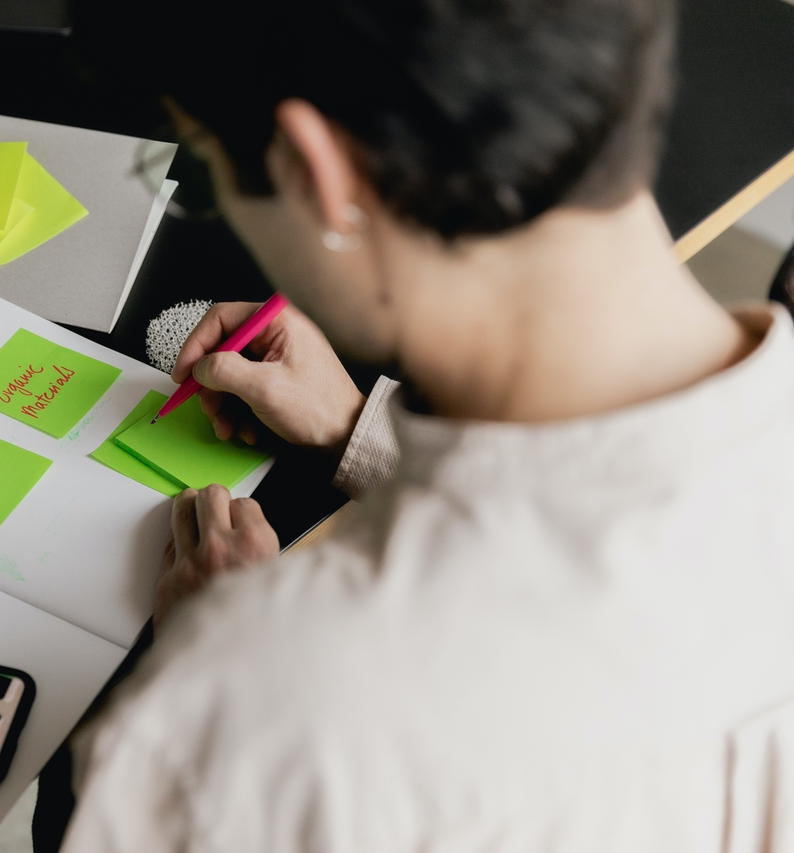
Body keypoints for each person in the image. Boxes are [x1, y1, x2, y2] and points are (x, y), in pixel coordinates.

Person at [53, 0, 794, 850]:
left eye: (205, 160)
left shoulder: (249, 719)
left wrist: (211, 661)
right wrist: (355, 429)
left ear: (318, 172)